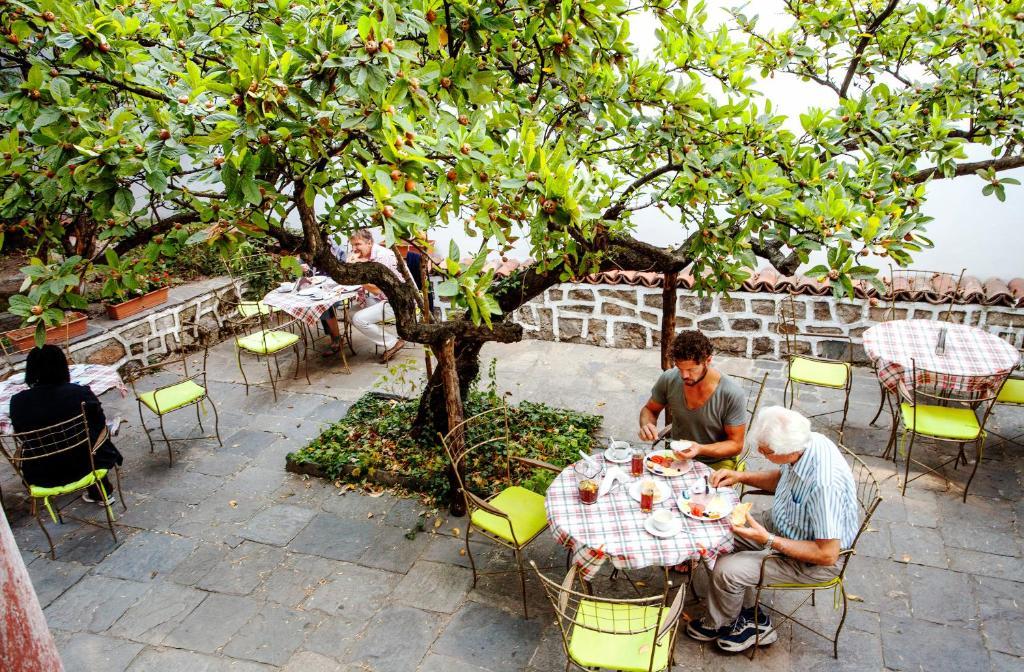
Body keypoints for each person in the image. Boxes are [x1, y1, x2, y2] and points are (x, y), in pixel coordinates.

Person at [685, 406, 860, 653]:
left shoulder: (824, 483)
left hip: (812, 561)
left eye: (765, 451)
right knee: (717, 532)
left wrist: (768, 540)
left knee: (726, 570)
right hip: (784, 525)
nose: (759, 452)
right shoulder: (808, 443)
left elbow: (827, 554)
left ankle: (729, 624)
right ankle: (747, 610)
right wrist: (739, 477)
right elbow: (781, 479)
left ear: (786, 452)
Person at [9, 345, 123, 505]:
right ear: (63, 367)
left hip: (42, 473)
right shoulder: (79, 393)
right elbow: (99, 422)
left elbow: (22, 435)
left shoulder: (17, 402)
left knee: (49, 442)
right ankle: (102, 493)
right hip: (87, 464)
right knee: (93, 436)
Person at [638, 330, 747, 470]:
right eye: (679, 368)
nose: (684, 375)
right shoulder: (669, 378)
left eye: (691, 369)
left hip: (716, 463)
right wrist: (647, 425)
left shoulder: (731, 393)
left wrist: (700, 449)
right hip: (676, 457)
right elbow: (649, 410)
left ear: (708, 361)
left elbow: (736, 445)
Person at [320, 228, 407, 362]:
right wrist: (350, 267)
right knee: (350, 313)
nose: (354, 248)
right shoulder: (363, 255)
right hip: (380, 298)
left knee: (359, 319)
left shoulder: (382, 257)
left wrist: (357, 267)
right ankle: (387, 339)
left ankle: (392, 342)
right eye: (353, 245)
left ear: (370, 243)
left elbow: (377, 289)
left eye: (358, 244)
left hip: (398, 301)